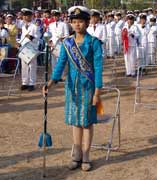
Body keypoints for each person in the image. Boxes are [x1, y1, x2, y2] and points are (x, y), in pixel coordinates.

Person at [42, 6, 103, 171]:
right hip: (72, 89)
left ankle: (86, 155)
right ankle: (76, 154)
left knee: (87, 123)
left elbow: (98, 68)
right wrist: (51, 82)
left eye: (81, 21)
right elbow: (61, 63)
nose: (77, 25)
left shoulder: (94, 43)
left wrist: (97, 92)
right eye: (74, 22)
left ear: (87, 22)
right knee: (76, 122)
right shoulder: (67, 43)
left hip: (89, 88)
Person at [17, 8, 40, 91]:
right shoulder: (23, 27)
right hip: (24, 48)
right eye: (24, 16)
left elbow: (38, 38)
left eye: (26, 16)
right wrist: (19, 43)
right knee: (24, 66)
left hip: (31, 48)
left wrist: (30, 37)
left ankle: (32, 83)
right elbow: (23, 37)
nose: (25, 17)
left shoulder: (35, 27)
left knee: (32, 66)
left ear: (30, 16)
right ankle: (24, 82)